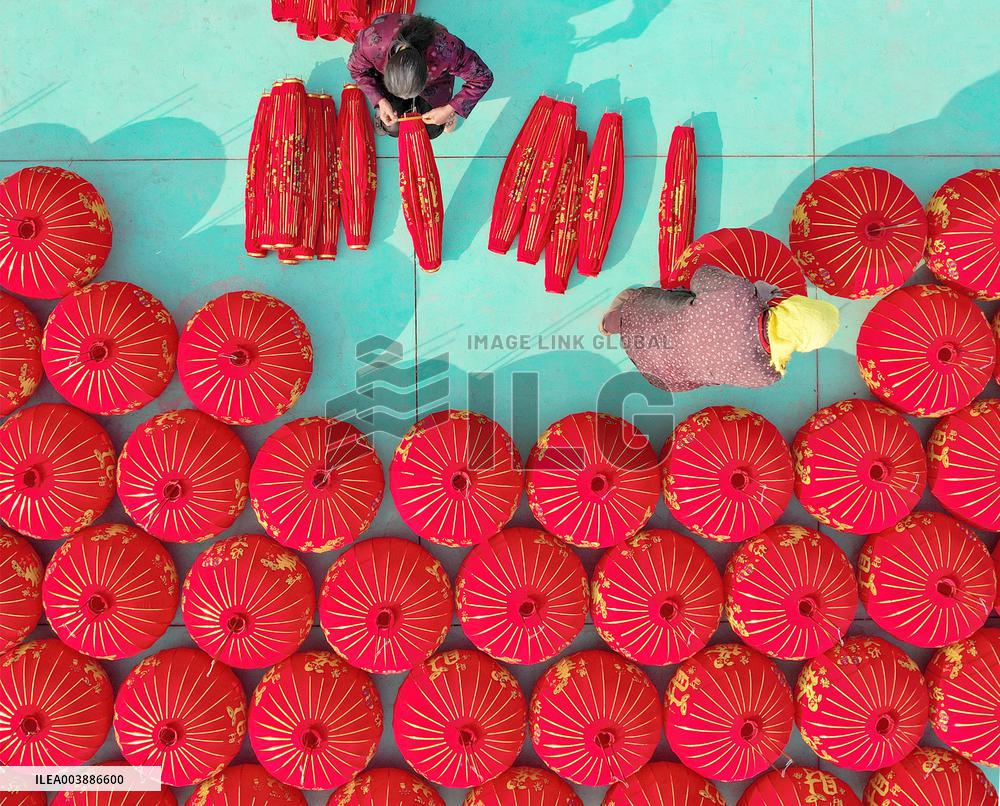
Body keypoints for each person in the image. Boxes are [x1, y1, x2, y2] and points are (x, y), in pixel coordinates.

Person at [601, 265, 839, 392]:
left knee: (641, 304)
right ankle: (615, 324)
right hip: (662, 375)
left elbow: (701, 274)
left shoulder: (738, 295)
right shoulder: (768, 374)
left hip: (641, 321)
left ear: (794, 306)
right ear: (804, 344)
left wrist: (754, 293)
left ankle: (609, 323)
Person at [347, 13, 493, 139]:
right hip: (391, 80)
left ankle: (447, 111)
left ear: (426, 69)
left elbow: (483, 77)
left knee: (432, 130)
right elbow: (356, 70)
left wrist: (449, 109)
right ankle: (386, 102)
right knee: (393, 127)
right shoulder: (371, 43)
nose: (407, 98)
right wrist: (380, 100)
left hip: (435, 83)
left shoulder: (446, 49)